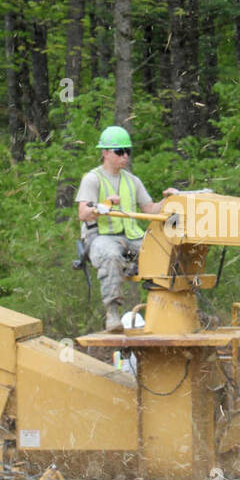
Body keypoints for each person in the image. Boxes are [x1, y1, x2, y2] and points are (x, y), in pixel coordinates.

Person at [75, 126, 177, 330]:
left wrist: (169, 200)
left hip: (130, 236)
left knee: (164, 253)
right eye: (119, 151)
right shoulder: (92, 179)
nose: (125, 156)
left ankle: (167, 310)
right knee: (111, 255)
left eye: (128, 151)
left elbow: (150, 209)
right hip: (101, 237)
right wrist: (104, 205)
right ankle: (112, 314)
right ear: (105, 153)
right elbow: (83, 213)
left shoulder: (132, 181)